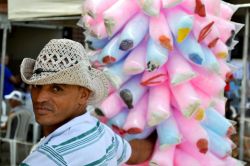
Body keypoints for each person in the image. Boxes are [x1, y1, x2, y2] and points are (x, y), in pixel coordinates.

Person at [19, 39, 154, 165]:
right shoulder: (100, 132)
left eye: (56, 88)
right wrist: (157, 141)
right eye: (37, 86)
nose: (39, 98)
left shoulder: (49, 158)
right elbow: (135, 152)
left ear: (83, 95)